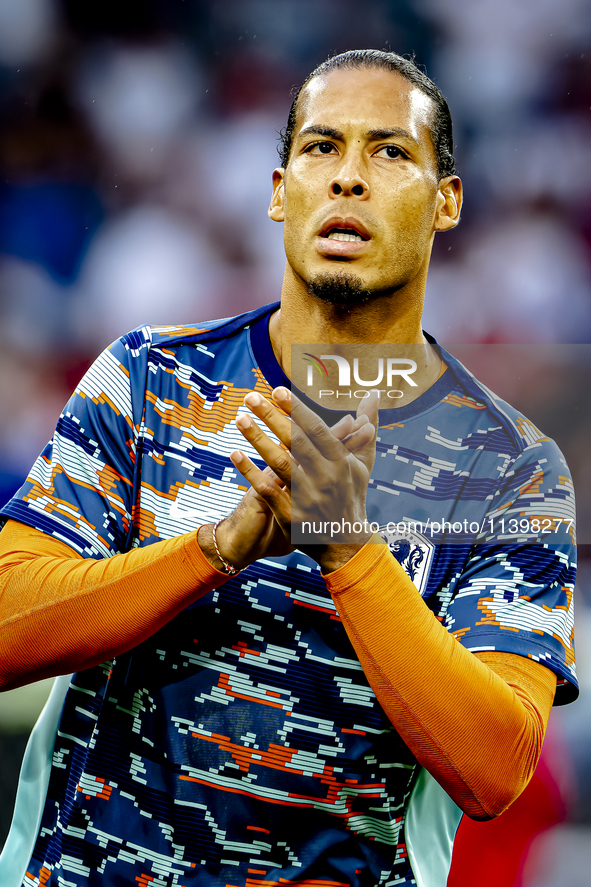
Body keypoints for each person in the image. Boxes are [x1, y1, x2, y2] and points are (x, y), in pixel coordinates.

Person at [0, 50, 577, 887]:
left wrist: (348, 551)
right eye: (320, 147)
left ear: (445, 201)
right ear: (279, 192)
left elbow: (495, 768)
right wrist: (215, 548)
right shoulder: (149, 379)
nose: (348, 177)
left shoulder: (509, 471)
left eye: (389, 151)